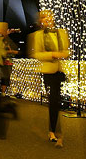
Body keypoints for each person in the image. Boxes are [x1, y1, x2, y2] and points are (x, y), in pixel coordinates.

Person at [28, 10, 69, 147]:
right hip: (47, 71)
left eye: (49, 16)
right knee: (53, 101)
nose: (47, 19)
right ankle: (53, 131)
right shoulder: (38, 35)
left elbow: (67, 51)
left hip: (58, 71)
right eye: (44, 17)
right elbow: (37, 54)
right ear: (40, 21)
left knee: (55, 101)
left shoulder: (62, 33)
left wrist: (63, 54)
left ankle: (53, 130)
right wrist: (52, 54)